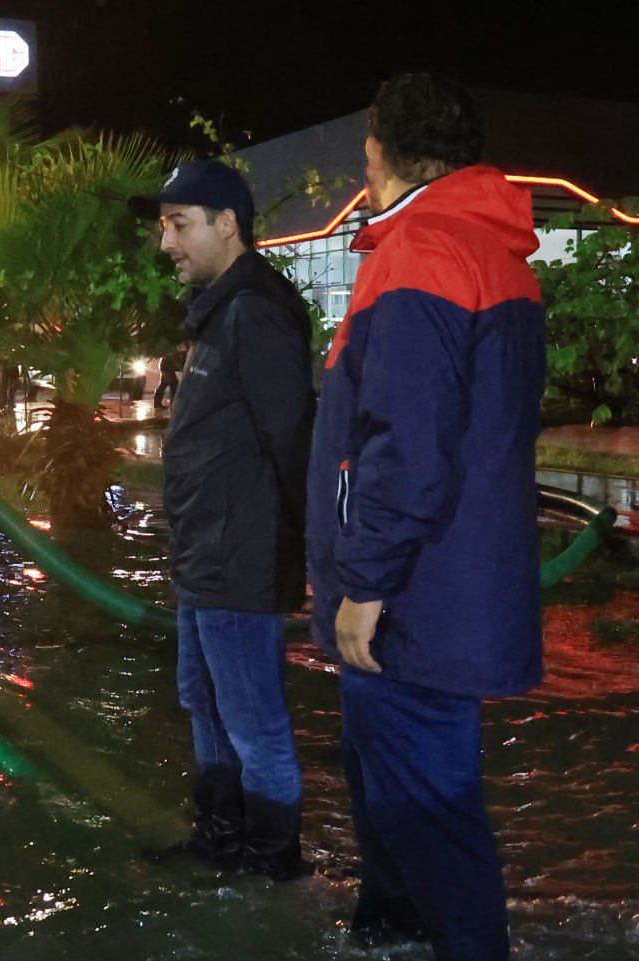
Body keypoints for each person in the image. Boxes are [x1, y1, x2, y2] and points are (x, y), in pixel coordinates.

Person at [306, 73, 545, 960]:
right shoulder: (494, 251)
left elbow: (405, 440)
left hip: (414, 599)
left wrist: (364, 583)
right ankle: (392, 930)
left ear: (378, 149)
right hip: (455, 579)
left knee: (426, 805)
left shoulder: (420, 252)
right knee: (392, 787)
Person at [129, 160, 315, 879]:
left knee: (254, 722)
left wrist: (309, 554)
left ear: (226, 224)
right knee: (203, 700)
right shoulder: (220, 311)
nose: (164, 240)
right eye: (162, 224)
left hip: (240, 559)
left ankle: (271, 871)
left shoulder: (255, 312)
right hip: (207, 556)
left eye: (178, 223)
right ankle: (219, 845)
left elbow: (291, 437)